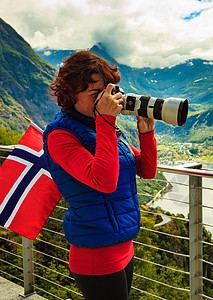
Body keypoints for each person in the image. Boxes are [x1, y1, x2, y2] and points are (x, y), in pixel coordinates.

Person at [43, 50, 157, 300]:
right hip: (95, 253)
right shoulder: (60, 136)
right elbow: (103, 181)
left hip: (124, 245)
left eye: (109, 94)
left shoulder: (106, 128)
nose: (107, 102)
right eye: (96, 95)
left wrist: (146, 133)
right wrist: (105, 122)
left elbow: (146, 170)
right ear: (71, 95)